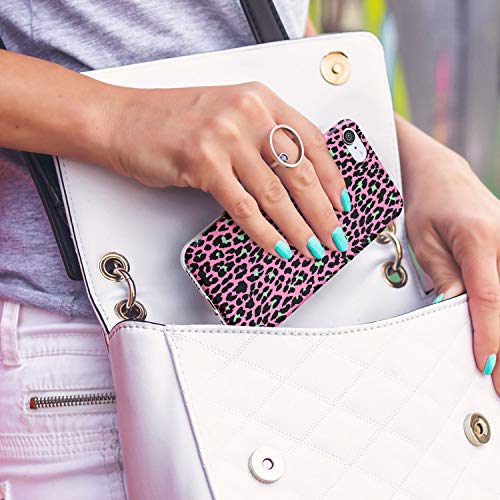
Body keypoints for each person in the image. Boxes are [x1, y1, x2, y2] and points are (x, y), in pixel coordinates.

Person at [0, 1, 498, 497]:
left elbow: (258, 25)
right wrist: (116, 118)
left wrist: (416, 158)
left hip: (346, 316)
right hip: (103, 365)